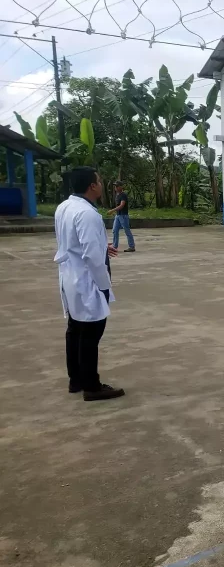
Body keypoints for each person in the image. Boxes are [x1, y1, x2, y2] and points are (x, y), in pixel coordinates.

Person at [54, 167, 125, 401]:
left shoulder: (64, 207)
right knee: (91, 334)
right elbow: (92, 257)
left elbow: (71, 241)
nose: (102, 184)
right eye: (99, 181)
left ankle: (76, 380)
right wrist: (104, 285)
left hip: (70, 277)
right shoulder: (88, 214)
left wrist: (102, 246)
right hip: (87, 281)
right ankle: (92, 387)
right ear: (92, 186)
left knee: (75, 330)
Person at [107, 180, 135, 253]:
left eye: (117, 186)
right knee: (115, 230)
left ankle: (132, 246)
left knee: (127, 231)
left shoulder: (123, 195)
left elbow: (122, 205)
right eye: (115, 186)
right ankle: (114, 246)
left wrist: (112, 210)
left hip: (123, 216)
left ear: (121, 187)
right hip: (118, 215)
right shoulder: (117, 195)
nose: (115, 188)